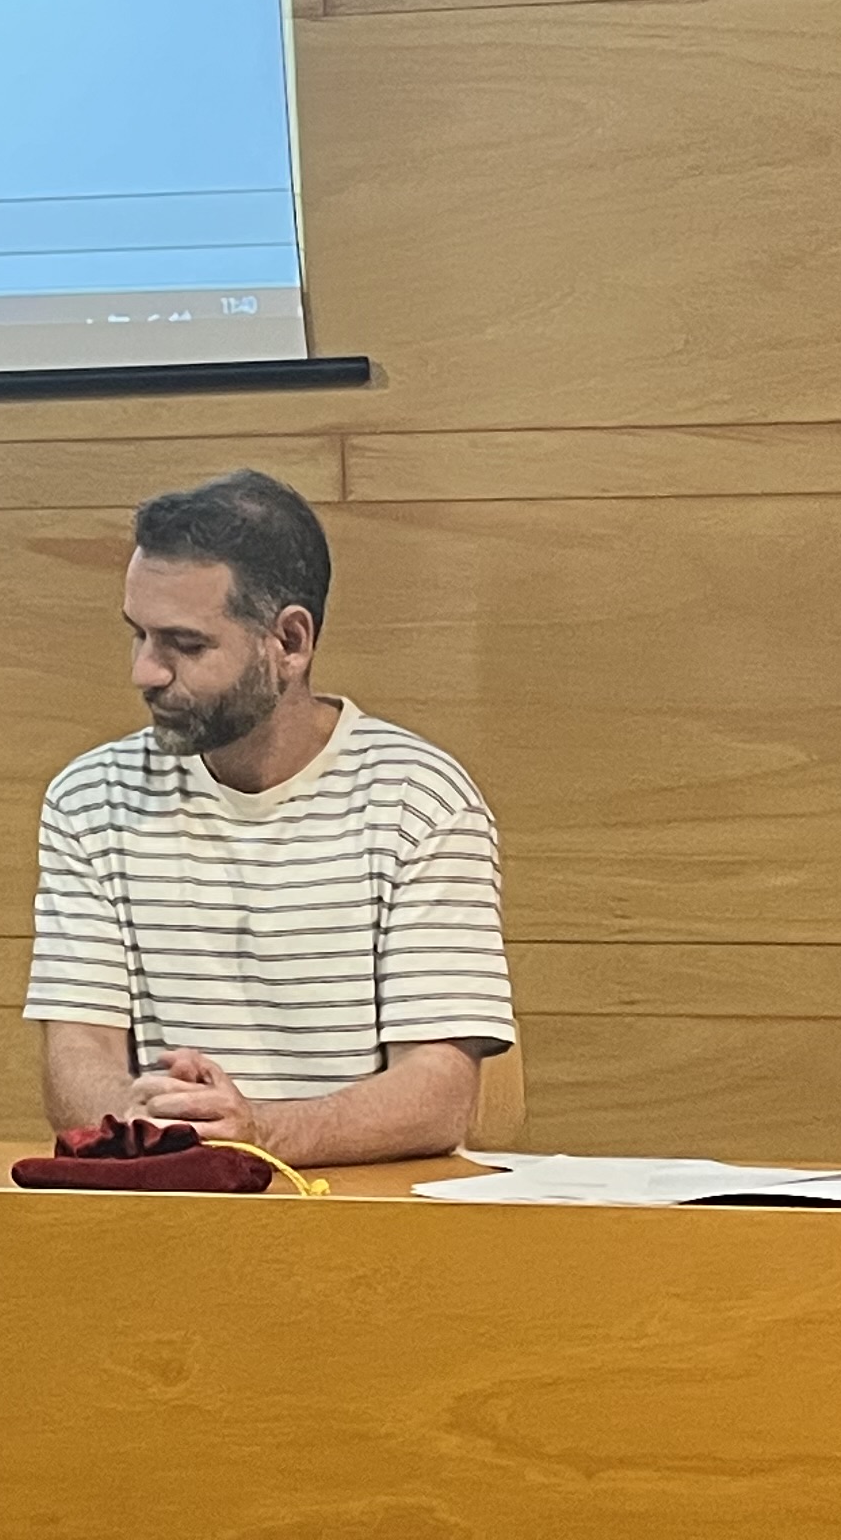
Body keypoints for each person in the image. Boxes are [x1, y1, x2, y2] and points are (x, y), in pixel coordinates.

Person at [27, 469, 514, 1163]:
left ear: (289, 642)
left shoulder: (419, 799)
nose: (146, 672)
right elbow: (78, 1054)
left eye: (185, 645)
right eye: (138, 635)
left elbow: (437, 1095)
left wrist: (259, 1133)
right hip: (166, 1197)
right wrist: (148, 1118)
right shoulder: (90, 797)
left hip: (360, 1206)